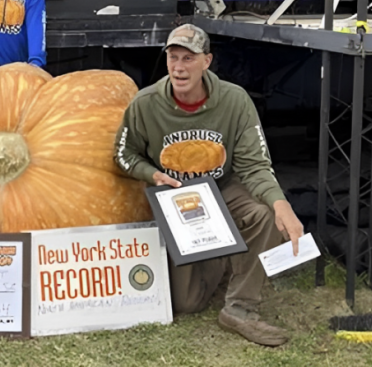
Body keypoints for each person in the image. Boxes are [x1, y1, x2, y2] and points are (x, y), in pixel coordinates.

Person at [114, 24, 304, 347]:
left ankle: (240, 307)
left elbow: (254, 165)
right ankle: (222, 259)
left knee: (262, 214)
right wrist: (151, 174)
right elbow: (122, 155)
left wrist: (279, 203)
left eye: (189, 58)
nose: (179, 67)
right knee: (188, 303)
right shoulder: (145, 104)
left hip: (221, 188)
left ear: (207, 61)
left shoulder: (234, 101)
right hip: (175, 197)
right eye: (173, 57)